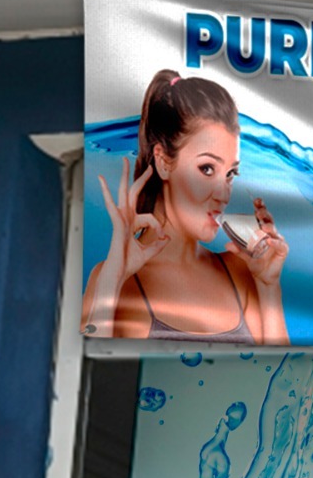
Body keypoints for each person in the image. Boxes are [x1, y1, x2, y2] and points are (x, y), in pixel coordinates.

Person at [82, 71, 289, 344]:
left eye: (230, 174)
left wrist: (268, 285)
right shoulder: (116, 280)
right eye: (206, 169)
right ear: (164, 162)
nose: (223, 193)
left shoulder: (242, 271)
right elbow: (84, 372)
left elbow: (287, 379)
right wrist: (112, 279)